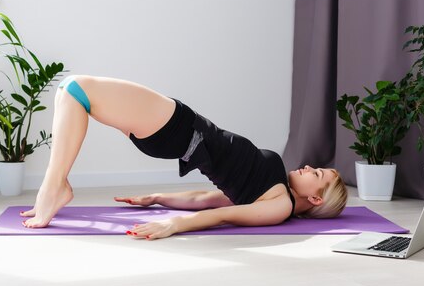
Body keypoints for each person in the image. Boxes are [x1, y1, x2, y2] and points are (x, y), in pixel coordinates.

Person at [21, 75, 348, 240]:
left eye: (316, 173)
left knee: (75, 89)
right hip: (178, 131)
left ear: (316, 199)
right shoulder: (274, 190)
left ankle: (53, 189)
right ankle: (57, 185)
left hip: (179, 129)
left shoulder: (279, 205)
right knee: (69, 93)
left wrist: (173, 225)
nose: (308, 167)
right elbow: (210, 200)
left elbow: (222, 217)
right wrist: (158, 198)